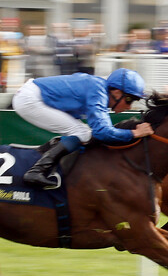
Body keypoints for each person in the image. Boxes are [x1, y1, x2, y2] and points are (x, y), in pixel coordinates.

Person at [12, 68, 155, 188]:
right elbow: (102, 133)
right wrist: (135, 133)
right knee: (82, 132)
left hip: (32, 95)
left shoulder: (99, 88)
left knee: (82, 132)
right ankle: (36, 172)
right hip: (30, 99)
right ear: (117, 92)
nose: (129, 106)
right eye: (129, 99)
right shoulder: (98, 92)